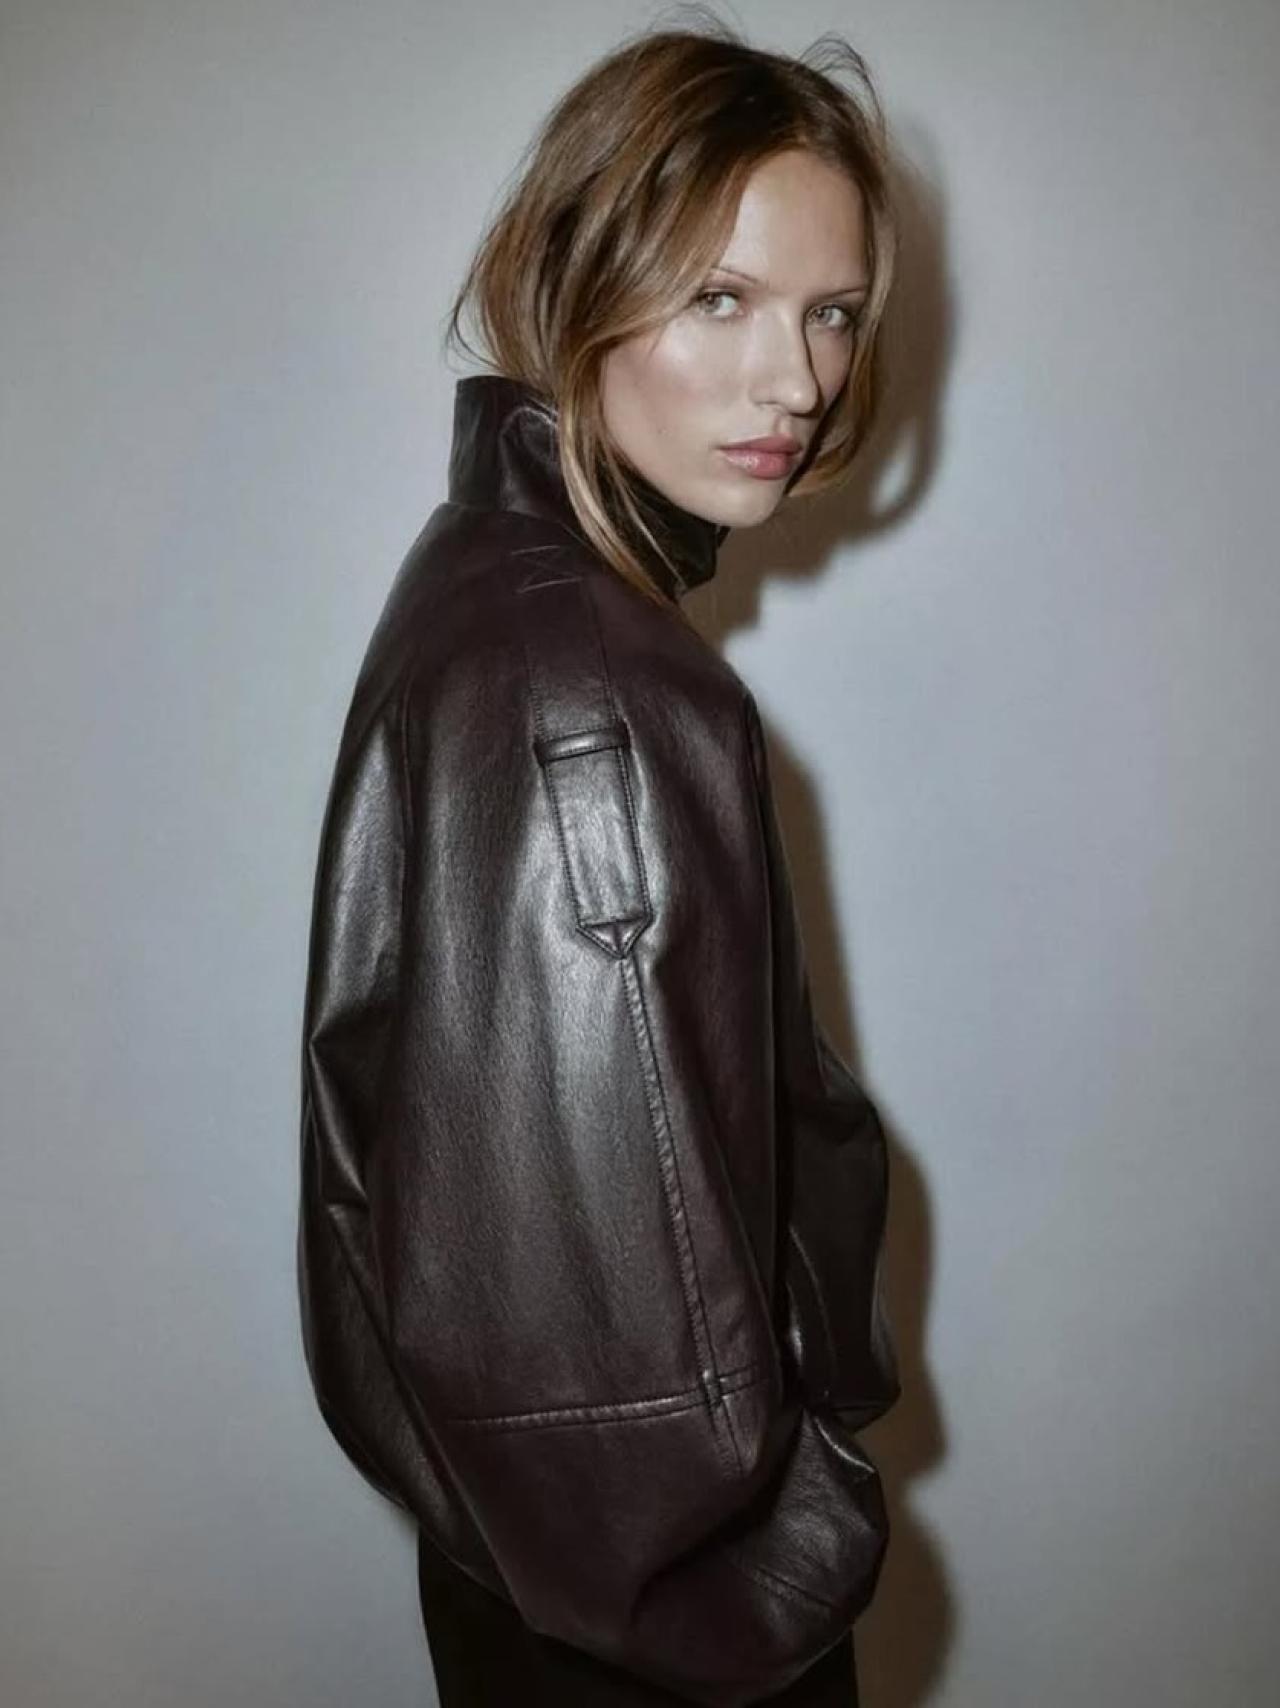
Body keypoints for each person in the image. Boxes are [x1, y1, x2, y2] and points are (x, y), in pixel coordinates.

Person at [296, 17, 901, 1706]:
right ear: (578, 281)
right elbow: (620, 1346)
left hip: (546, 1588)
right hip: (663, 1635)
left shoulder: (488, 581)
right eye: (721, 298)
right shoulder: (597, 688)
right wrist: (783, 1571)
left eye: (831, 311)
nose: (797, 381)